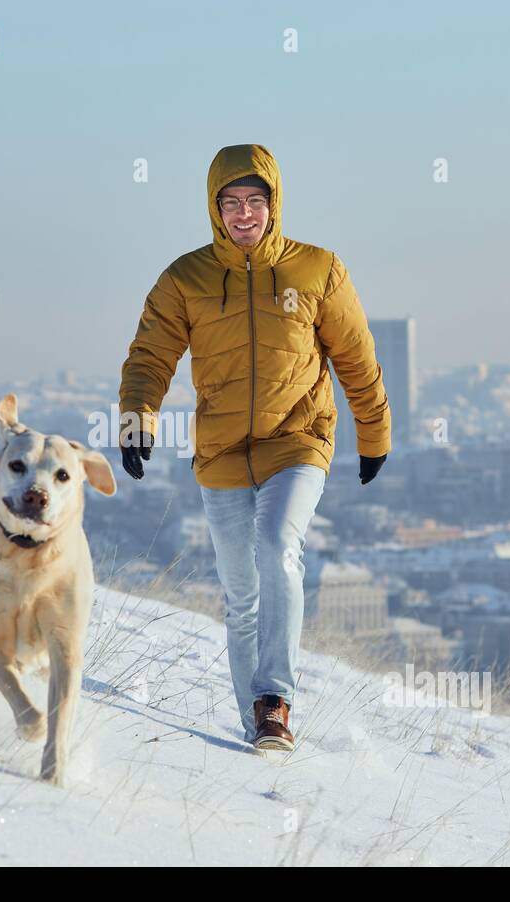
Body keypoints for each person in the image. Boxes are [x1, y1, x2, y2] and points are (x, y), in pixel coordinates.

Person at [117, 143, 391, 752]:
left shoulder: (316, 270)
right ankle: (258, 729)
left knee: (277, 546)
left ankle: (275, 700)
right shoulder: (185, 278)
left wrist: (373, 434)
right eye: (231, 202)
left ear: (274, 204)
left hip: (298, 438)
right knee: (240, 594)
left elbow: (356, 357)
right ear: (215, 208)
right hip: (220, 451)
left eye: (256, 200)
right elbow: (150, 356)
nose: (245, 213)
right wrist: (138, 420)